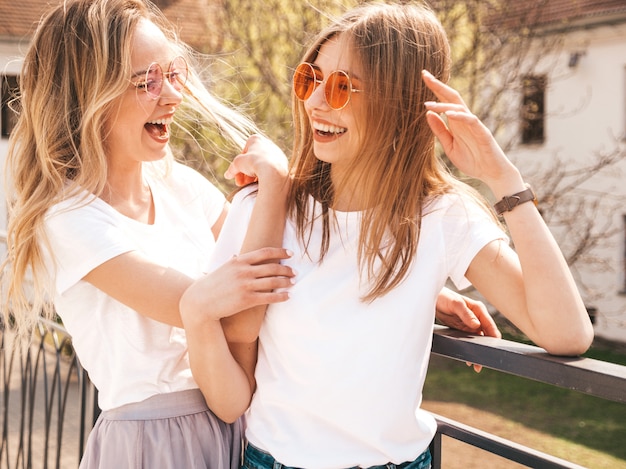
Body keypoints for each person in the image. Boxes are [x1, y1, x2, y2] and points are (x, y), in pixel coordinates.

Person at [0, 0, 498, 468]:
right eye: (146, 82)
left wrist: (413, 288)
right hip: (155, 443)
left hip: (238, 425)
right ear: (85, 95)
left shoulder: (180, 186)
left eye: (174, 73)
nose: (173, 94)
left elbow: (288, 260)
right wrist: (276, 182)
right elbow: (219, 305)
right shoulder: (69, 220)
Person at [185, 2, 595, 469]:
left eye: (342, 87)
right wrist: (194, 312)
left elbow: (568, 334)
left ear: (398, 101)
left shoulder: (443, 215)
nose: (316, 101)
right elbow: (230, 391)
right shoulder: (264, 207)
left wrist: (503, 177)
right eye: (310, 78)